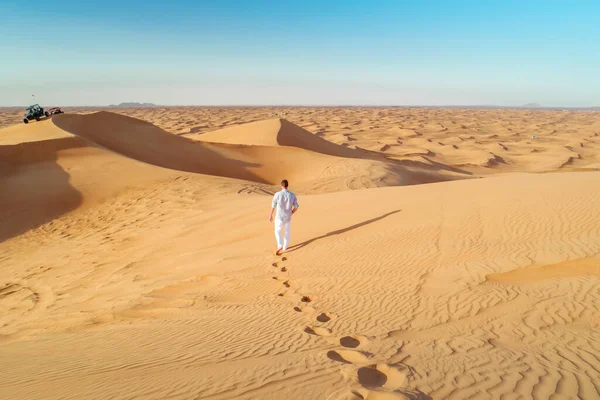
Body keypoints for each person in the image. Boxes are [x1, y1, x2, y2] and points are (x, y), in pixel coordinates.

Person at [269, 179, 299, 255]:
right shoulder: (292, 195)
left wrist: (270, 215)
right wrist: (291, 212)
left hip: (279, 217)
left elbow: (273, 205)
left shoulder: (277, 194)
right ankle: (285, 247)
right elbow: (296, 206)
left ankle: (280, 245)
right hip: (288, 217)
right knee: (287, 232)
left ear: (281, 186)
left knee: (277, 231)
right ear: (287, 186)